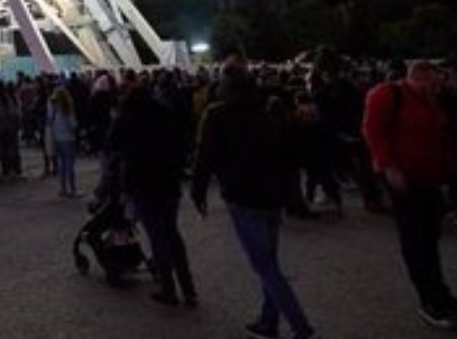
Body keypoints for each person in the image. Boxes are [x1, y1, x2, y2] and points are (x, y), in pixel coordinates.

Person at [192, 66, 315, 339]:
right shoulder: (264, 113)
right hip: (270, 197)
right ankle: (268, 322)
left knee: (265, 268)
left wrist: (198, 192)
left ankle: (301, 328)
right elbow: (283, 154)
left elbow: (206, 156)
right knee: (269, 263)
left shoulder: (217, 114)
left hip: (243, 197)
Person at [362, 60, 457, 329]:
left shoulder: (430, 102)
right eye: (433, 82)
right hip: (404, 178)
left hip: (427, 179)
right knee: (417, 241)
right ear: (418, 77)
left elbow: (440, 140)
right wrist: (388, 166)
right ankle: (431, 299)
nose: (437, 87)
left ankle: (440, 295)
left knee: (428, 238)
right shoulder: (387, 94)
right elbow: (372, 129)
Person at [115, 80, 196, 307]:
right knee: (173, 235)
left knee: (158, 237)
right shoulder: (164, 113)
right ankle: (189, 289)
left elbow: (112, 142)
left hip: (143, 184)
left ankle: (168, 288)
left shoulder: (129, 117)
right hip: (168, 183)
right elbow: (179, 144)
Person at [47, 89, 79, 197]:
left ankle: (63, 188)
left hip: (57, 138)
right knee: (70, 164)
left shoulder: (53, 108)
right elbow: (73, 125)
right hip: (68, 138)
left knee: (61, 164)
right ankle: (72, 189)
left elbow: (50, 121)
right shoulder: (67, 109)